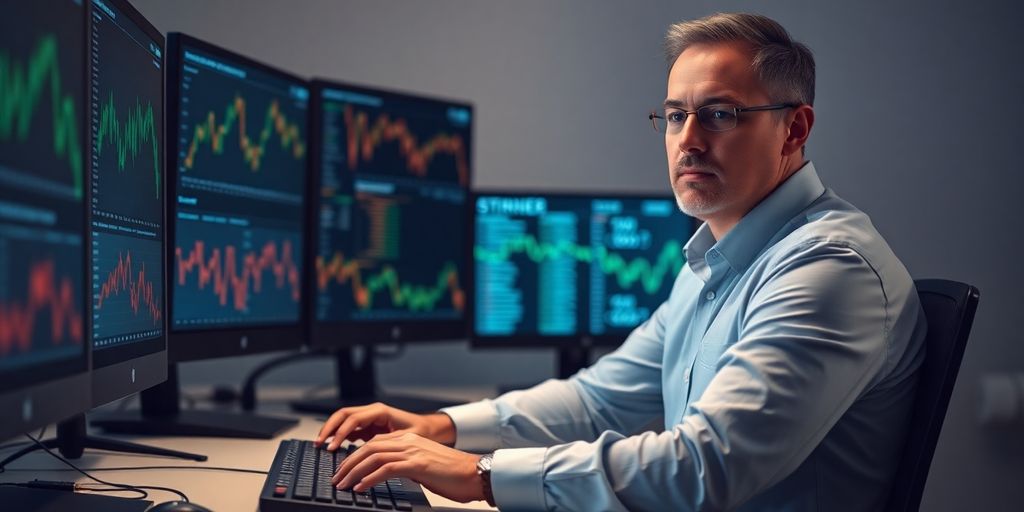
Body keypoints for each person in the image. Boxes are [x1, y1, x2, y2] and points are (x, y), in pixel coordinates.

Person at [316, 12, 927, 511]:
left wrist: (481, 475)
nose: (688, 139)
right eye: (676, 115)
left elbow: (706, 467)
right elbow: (597, 401)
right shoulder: (716, 262)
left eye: (719, 114)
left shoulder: (827, 269)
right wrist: (439, 427)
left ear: (795, 129)